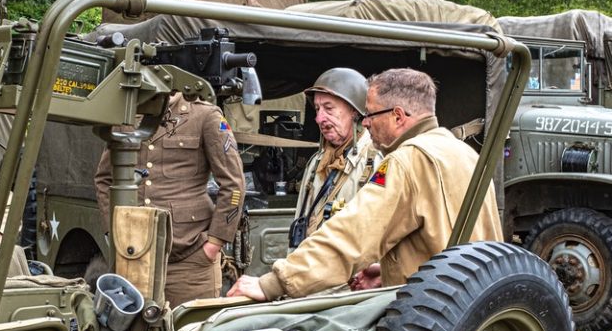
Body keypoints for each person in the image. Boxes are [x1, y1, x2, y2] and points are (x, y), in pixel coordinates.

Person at [228, 68, 502, 301]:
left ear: (398, 115)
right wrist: (388, 270)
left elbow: (353, 233)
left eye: (371, 114)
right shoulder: (465, 154)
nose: (366, 123)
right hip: (470, 306)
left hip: (429, 316)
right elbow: (449, 237)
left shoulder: (405, 162)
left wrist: (272, 284)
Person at [95, 92, 245, 307]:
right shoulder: (127, 114)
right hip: (135, 257)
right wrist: (115, 231)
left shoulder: (205, 115)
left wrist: (214, 242)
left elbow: (234, 184)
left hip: (190, 260)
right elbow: (104, 179)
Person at [290, 68, 381, 247]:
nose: (319, 118)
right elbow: (300, 221)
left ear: (354, 112)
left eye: (329, 109)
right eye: (317, 109)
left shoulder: (376, 160)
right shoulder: (317, 161)